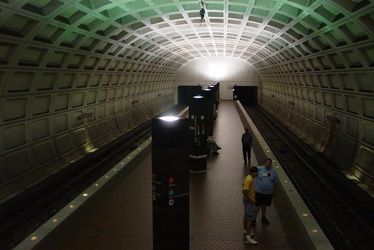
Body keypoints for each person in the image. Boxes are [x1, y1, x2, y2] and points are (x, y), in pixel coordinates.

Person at [254, 158, 279, 225]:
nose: (268, 164)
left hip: (268, 193)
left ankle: (263, 217)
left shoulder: (273, 172)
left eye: (270, 163)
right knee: (257, 205)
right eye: (267, 163)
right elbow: (252, 175)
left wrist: (275, 191)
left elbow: (276, 183)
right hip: (259, 192)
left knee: (264, 205)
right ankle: (254, 218)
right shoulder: (259, 169)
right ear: (265, 163)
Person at [242, 166, 259, 245]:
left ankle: (245, 232)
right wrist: (251, 199)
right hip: (249, 201)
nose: (256, 174)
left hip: (246, 200)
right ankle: (248, 238)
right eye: (255, 173)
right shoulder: (250, 179)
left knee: (246, 216)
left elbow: (243, 185)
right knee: (250, 219)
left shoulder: (248, 177)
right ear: (252, 172)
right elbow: (244, 190)